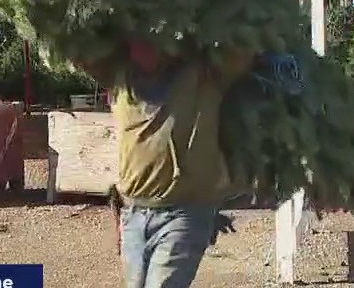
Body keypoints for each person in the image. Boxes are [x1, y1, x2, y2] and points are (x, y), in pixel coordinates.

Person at [81, 40, 253, 288]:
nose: (142, 44)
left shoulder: (204, 75)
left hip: (184, 213)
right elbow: (75, 46)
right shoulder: (120, 79)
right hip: (133, 214)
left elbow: (244, 47)